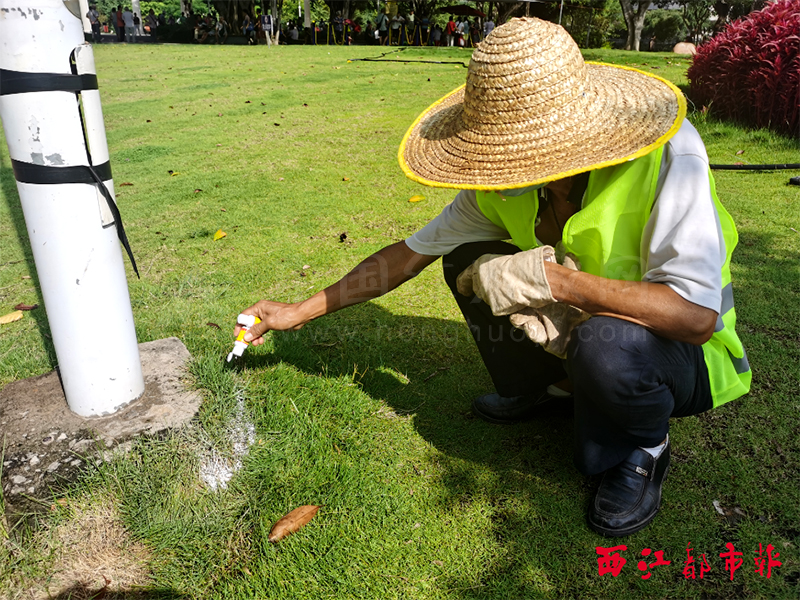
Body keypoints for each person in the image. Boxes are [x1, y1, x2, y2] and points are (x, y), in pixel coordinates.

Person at [234, 18, 751, 538]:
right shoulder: (505, 183)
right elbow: (407, 256)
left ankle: (644, 448)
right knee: (468, 262)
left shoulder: (667, 155)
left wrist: (554, 282)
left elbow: (694, 318)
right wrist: (299, 311)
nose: (504, 167)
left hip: (687, 360)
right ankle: (557, 388)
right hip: (597, 332)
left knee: (604, 343)